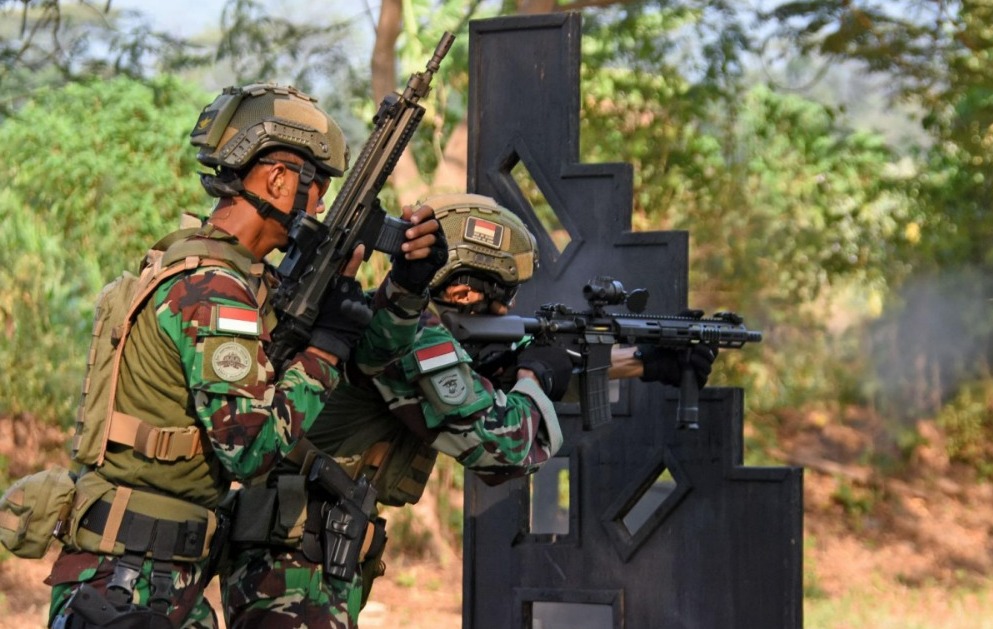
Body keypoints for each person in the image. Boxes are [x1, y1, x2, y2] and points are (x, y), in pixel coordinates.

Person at [45, 83, 444, 629]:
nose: (321, 205)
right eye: (317, 187)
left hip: (153, 572)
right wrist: (325, 348)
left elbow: (361, 360)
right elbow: (252, 448)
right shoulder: (213, 289)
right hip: (130, 582)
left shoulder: (212, 271)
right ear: (278, 179)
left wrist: (407, 286)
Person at [220, 193, 718, 628]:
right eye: (501, 295)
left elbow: (490, 378)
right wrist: (537, 374)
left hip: (305, 552)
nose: (506, 310)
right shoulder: (407, 336)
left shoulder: (403, 330)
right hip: (291, 561)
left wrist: (642, 363)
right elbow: (504, 444)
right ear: (462, 289)